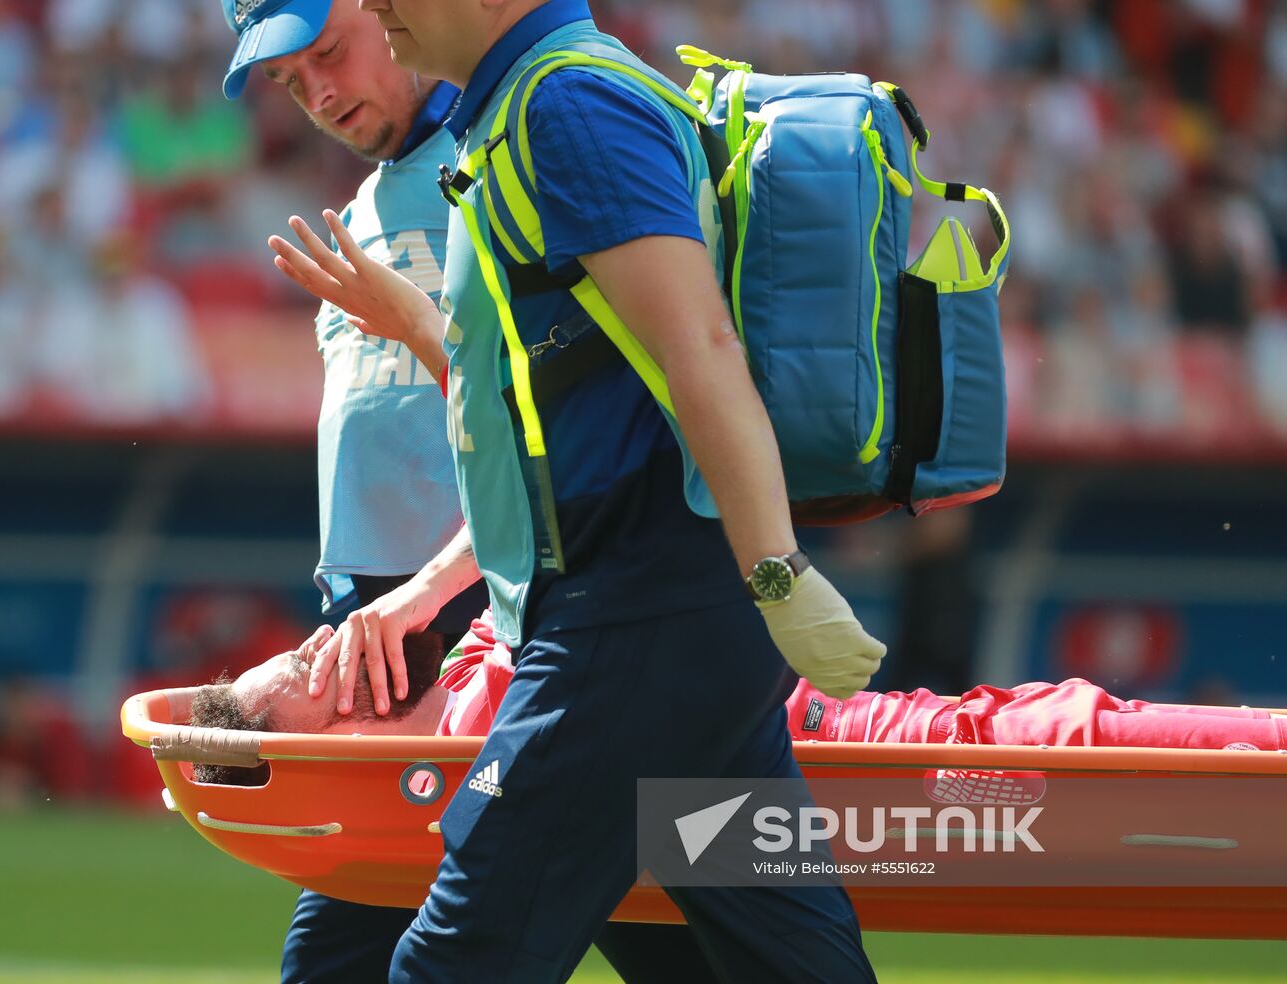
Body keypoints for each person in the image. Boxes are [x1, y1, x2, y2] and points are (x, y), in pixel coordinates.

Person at [268, 1, 885, 979]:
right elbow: (568, 386)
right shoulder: (540, 99)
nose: (376, 10)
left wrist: (776, 570)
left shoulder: (562, 104)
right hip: (670, 624)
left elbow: (696, 349)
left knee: (451, 965)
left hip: (631, 614)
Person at [215, 1, 487, 980]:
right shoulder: (369, 201)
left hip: (480, 619)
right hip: (382, 639)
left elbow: (548, 418)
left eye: (327, 53)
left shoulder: (508, 142)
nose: (318, 94)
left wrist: (438, 594)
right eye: (290, 81)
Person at [193, 615, 1287, 760]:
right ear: (321, 726)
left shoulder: (481, 667)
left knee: (1049, 721)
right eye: (297, 671)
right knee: (1063, 733)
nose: (321, 643)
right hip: (860, 769)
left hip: (828, 743)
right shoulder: (484, 735)